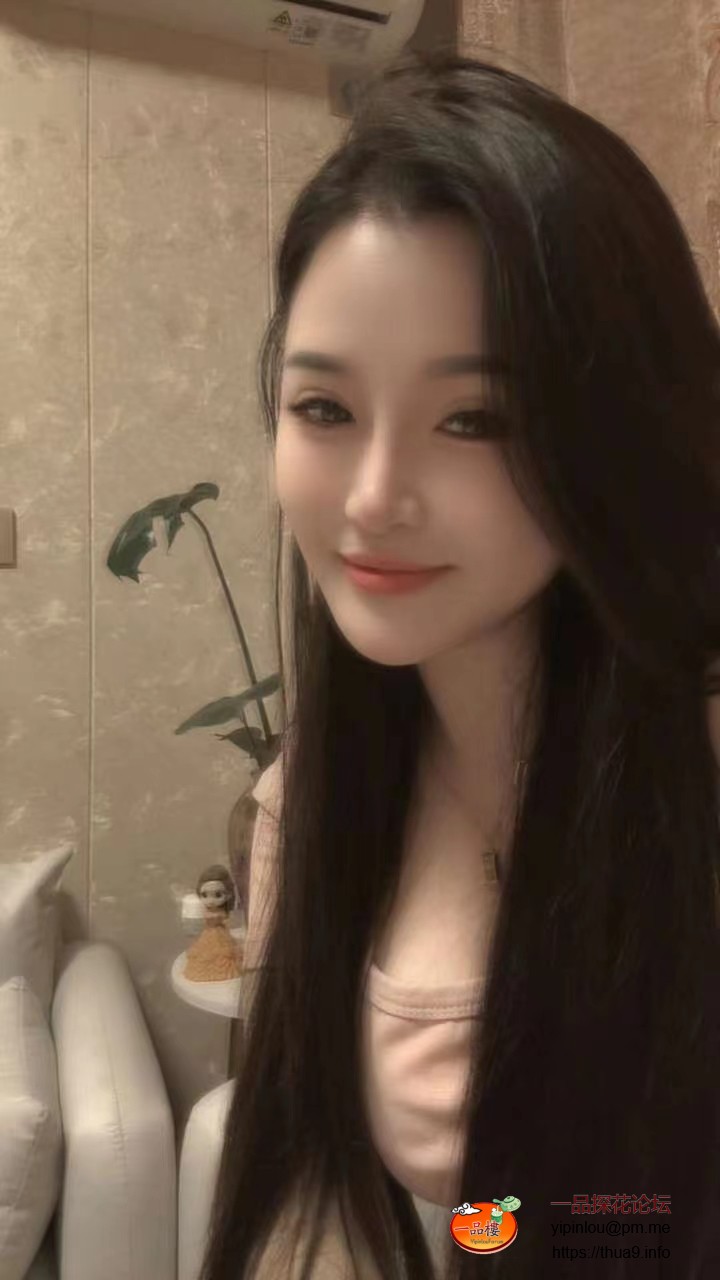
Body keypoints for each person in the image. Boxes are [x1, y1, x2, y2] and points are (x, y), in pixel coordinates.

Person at [199, 47, 720, 1280]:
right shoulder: (310, 799)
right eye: (325, 409)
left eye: (474, 418)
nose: (373, 499)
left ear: (612, 427)